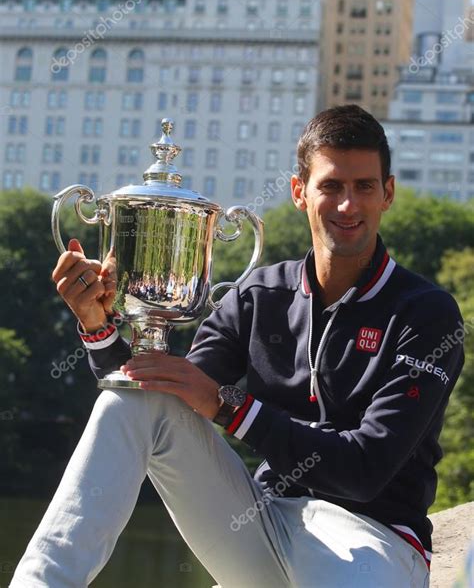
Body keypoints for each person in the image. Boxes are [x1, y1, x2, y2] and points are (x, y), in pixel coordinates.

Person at [11, 105, 464, 588]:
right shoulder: (258, 296)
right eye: (330, 186)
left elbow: (366, 470)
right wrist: (97, 326)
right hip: (259, 523)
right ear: (299, 193)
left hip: (376, 538)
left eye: (364, 187)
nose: (348, 205)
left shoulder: (427, 312)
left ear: (387, 194)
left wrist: (231, 407)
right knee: (129, 400)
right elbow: (163, 397)